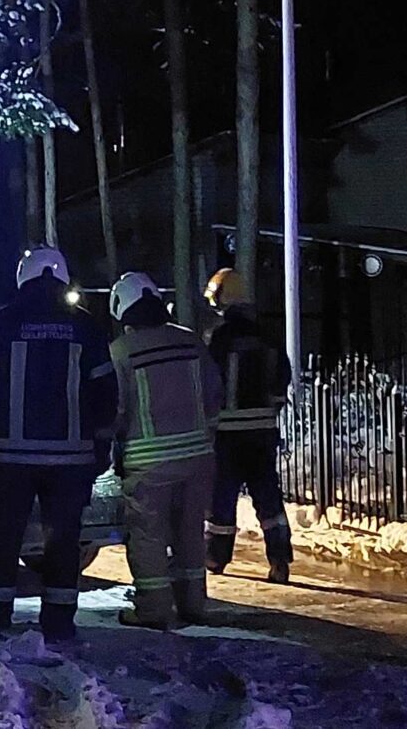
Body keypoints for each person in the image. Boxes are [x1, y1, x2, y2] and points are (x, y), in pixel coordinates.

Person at [0, 247, 117, 640]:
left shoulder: (2, 322)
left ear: (24, 277)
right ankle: (59, 622)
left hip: (12, 456)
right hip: (71, 458)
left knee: (5, 535)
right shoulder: (84, 326)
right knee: (64, 538)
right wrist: (102, 442)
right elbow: (105, 389)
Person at [108, 273, 223, 628]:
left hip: (148, 463)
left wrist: (114, 445)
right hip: (197, 457)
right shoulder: (190, 342)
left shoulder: (120, 352)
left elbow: (117, 409)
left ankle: (154, 609)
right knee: (190, 531)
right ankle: (193, 604)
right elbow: (214, 394)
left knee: (147, 535)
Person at [203, 268, 294, 584]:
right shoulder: (267, 334)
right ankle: (280, 560)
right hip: (262, 433)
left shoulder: (219, 338)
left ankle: (215, 557)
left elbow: (208, 381)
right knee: (268, 498)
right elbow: (282, 375)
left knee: (222, 499)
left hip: (227, 434)